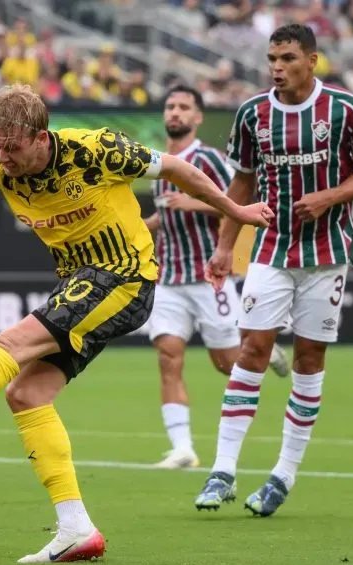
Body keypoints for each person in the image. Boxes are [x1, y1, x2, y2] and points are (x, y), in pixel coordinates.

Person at [0, 84, 273, 564]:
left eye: (12, 148)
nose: (3, 157)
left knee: (12, 343)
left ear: (41, 137)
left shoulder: (97, 149)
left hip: (125, 279)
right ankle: (76, 528)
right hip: (81, 283)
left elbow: (179, 169)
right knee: (25, 394)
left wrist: (238, 212)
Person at [194, 24, 353, 517]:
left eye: (288, 57)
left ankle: (283, 475)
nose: (277, 67)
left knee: (309, 359)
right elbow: (241, 183)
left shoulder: (345, 110)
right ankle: (222, 471)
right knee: (252, 347)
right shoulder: (253, 114)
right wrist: (226, 247)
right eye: (272, 58)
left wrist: (330, 196)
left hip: (327, 251)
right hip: (270, 248)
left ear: (313, 60)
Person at [143, 85, 291, 470]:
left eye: (183, 107)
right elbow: (169, 213)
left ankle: (263, 347)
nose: (174, 112)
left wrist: (190, 200)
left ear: (198, 117)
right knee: (167, 358)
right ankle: (182, 449)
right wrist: (146, 225)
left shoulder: (206, 157)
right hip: (168, 277)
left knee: (225, 363)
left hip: (207, 275)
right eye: (170, 106)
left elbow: (238, 202)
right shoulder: (159, 163)